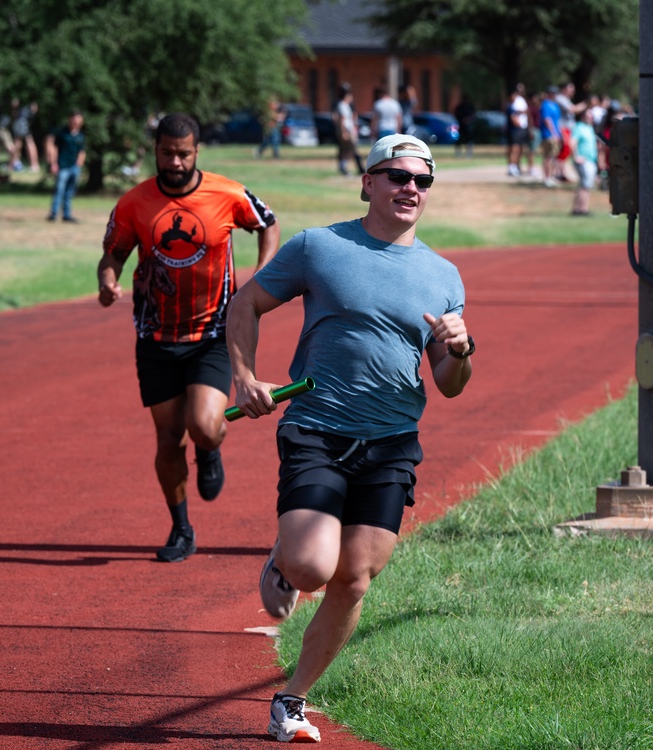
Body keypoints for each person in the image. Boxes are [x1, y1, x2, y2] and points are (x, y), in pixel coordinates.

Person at [226, 134, 474, 743]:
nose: (409, 188)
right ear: (368, 183)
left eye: (421, 181)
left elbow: (449, 383)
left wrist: (461, 349)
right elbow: (246, 303)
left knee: (355, 579)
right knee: (313, 567)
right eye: (396, 176)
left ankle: (292, 701)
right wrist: (244, 378)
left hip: (391, 440)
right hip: (317, 428)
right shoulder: (320, 247)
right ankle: (286, 563)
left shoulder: (443, 275)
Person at [97, 113, 280, 563]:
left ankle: (210, 448)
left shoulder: (227, 193)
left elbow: (268, 223)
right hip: (156, 336)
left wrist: (262, 273)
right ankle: (181, 529)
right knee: (167, 438)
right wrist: (107, 281)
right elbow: (114, 254)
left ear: (197, 151)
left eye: (183, 153)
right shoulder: (133, 203)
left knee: (204, 426)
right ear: (155, 150)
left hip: (212, 332)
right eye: (166, 153)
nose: (175, 162)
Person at [45, 110, 86, 223]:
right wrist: (53, 163)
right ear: (70, 119)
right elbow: (55, 148)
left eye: (79, 118)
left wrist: (79, 165)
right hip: (62, 166)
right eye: (75, 118)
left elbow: (82, 151)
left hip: (74, 167)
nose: (77, 121)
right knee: (59, 190)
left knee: (70, 192)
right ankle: (53, 214)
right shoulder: (62, 133)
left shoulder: (81, 136)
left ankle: (67, 215)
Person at [569, 107, 599, 216]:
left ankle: (580, 208)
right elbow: (572, 142)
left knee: (586, 185)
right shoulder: (579, 127)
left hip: (591, 160)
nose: (591, 117)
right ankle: (581, 209)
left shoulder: (589, 128)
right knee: (585, 185)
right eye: (589, 115)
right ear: (583, 116)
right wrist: (576, 156)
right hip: (584, 161)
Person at [333, 84, 364, 176]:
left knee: (348, 150)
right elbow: (342, 119)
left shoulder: (346, 106)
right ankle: (344, 167)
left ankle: (346, 167)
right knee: (350, 150)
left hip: (348, 131)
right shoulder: (342, 105)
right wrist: (344, 132)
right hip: (347, 131)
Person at [539, 86, 562, 187]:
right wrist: (554, 134)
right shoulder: (545, 105)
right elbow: (547, 120)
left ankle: (551, 176)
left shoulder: (555, 105)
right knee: (548, 157)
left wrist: (559, 133)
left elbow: (557, 121)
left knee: (553, 157)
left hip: (556, 134)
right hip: (548, 135)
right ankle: (547, 178)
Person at [505, 83, 530, 177]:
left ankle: (516, 166)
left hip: (520, 128)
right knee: (514, 148)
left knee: (519, 148)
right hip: (515, 129)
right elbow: (513, 117)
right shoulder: (511, 105)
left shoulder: (521, 101)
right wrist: (517, 122)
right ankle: (512, 167)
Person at [453, 94, 476, 158]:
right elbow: (456, 114)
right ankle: (458, 153)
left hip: (468, 125)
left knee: (468, 139)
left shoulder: (469, 107)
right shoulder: (460, 107)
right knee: (459, 139)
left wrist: (468, 120)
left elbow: (473, 115)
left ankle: (469, 153)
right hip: (461, 125)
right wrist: (462, 120)